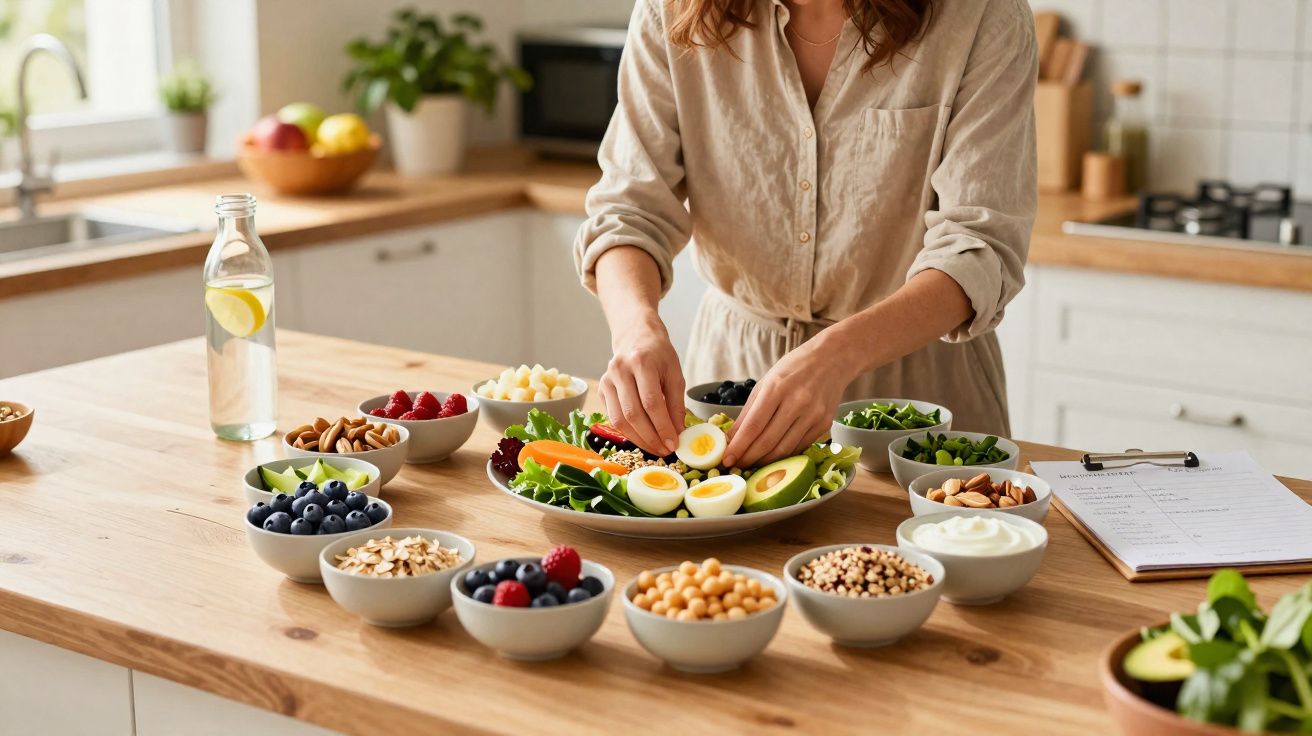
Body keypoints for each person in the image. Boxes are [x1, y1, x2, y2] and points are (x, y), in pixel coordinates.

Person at [574, 0, 1037, 469]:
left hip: (919, 400)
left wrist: (838, 355)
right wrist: (637, 329)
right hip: (730, 380)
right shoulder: (670, 9)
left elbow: (979, 247)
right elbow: (628, 208)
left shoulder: (981, 14)